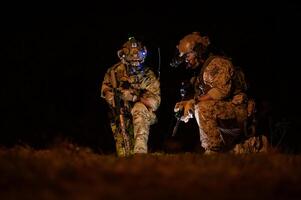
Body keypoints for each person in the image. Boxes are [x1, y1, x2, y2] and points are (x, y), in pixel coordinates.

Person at [170, 32, 268, 154]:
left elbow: (220, 93)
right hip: (227, 112)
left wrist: (193, 103)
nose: (186, 61)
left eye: (187, 56)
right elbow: (207, 98)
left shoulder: (217, 64)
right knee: (199, 108)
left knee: (202, 108)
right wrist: (187, 107)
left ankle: (213, 150)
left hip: (239, 111)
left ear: (198, 51)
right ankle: (253, 145)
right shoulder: (201, 72)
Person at [101, 37, 161, 157]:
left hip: (142, 114)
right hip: (121, 114)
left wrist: (134, 97)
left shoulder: (148, 75)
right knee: (124, 154)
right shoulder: (114, 71)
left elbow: (155, 102)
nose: (135, 58)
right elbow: (105, 90)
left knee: (139, 108)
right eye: (132, 54)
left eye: (138, 54)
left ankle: (140, 154)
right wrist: (111, 96)